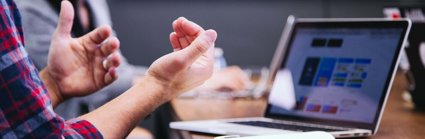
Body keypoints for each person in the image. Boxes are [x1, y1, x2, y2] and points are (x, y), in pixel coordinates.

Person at [16, 0, 247, 138]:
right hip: (58, 123)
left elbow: (113, 70)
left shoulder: (93, 3)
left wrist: (55, 85)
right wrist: (163, 83)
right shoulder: (25, 8)